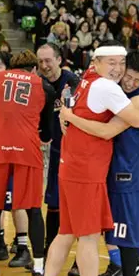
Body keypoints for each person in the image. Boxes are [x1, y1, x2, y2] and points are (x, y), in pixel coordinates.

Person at [34, 42, 139, 276]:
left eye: (120, 63)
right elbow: (135, 119)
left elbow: (132, 93)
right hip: (86, 171)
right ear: (96, 63)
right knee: (88, 236)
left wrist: (69, 117)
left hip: (68, 167)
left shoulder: (85, 81)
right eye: (110, 63)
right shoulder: (106, 87)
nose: (117, 69)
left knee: (66, 232)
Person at [0, 50, 55, 276]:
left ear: (11, 67)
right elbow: (47, 132)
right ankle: (40, 272)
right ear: (34, 69)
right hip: (27, 148)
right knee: (32, 209)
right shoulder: (44, 87)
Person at [36, 44, 80, 258]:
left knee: (77, 205)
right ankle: (48, 252)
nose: (44, 65)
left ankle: (80, 259)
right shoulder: (38, 84)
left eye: (48, 60)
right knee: (53, 204)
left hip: (75, 153)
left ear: (59, 60)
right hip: (54, 152)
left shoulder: (72, 83)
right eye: (41, 61)